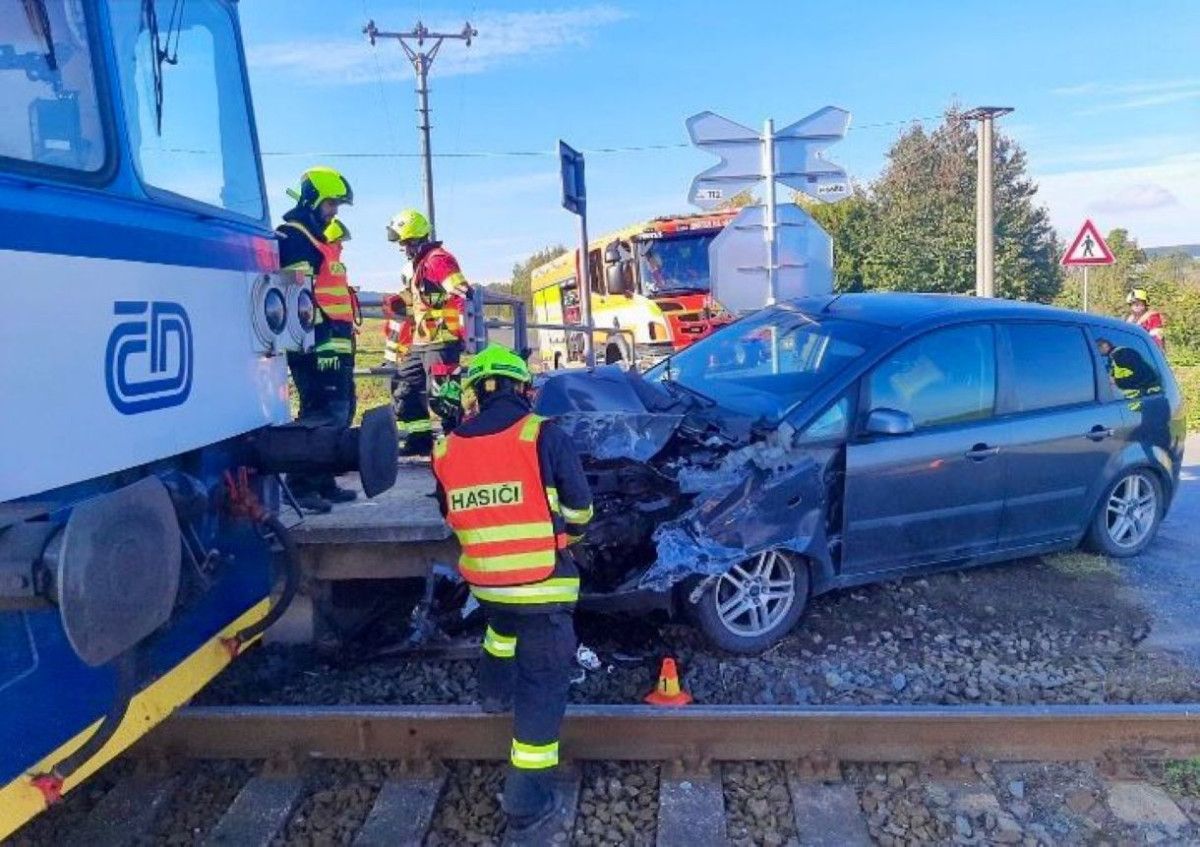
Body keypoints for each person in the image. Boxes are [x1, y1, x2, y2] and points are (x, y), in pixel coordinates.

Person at [430, 344, 593, 841]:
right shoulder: (541, 434)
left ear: (477, 391)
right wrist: (567, 538)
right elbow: (582, 511)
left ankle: (493, 693)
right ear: (524, 389)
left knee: (501, 634)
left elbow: (451, 515)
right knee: (544, 686)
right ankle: (525, 803)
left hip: (488, 585)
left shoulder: (446, 449)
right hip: (542, 588)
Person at [278, 167, 359, 513]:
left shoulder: (316, 239)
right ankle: (300, 485)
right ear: (311, 200)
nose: (334, 211)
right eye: (330, 204)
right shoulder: (294, 237)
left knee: (339, 411)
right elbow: (299, 296)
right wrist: (320, 340)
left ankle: (323, 481)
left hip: (333, 341)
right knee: (318, 413)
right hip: (316, 344)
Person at [386, 209, 472, 455]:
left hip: (442, 341)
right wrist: (401, 301)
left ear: (414, 239)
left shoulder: (437, 259)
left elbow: (461, 290)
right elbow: (425, 298)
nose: (402, 248)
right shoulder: (421, 263)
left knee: (445, 399)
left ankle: (459, 449)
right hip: (421, 342)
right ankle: (420, 439)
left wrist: (450, 290)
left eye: (404, 242)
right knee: (404, 386)